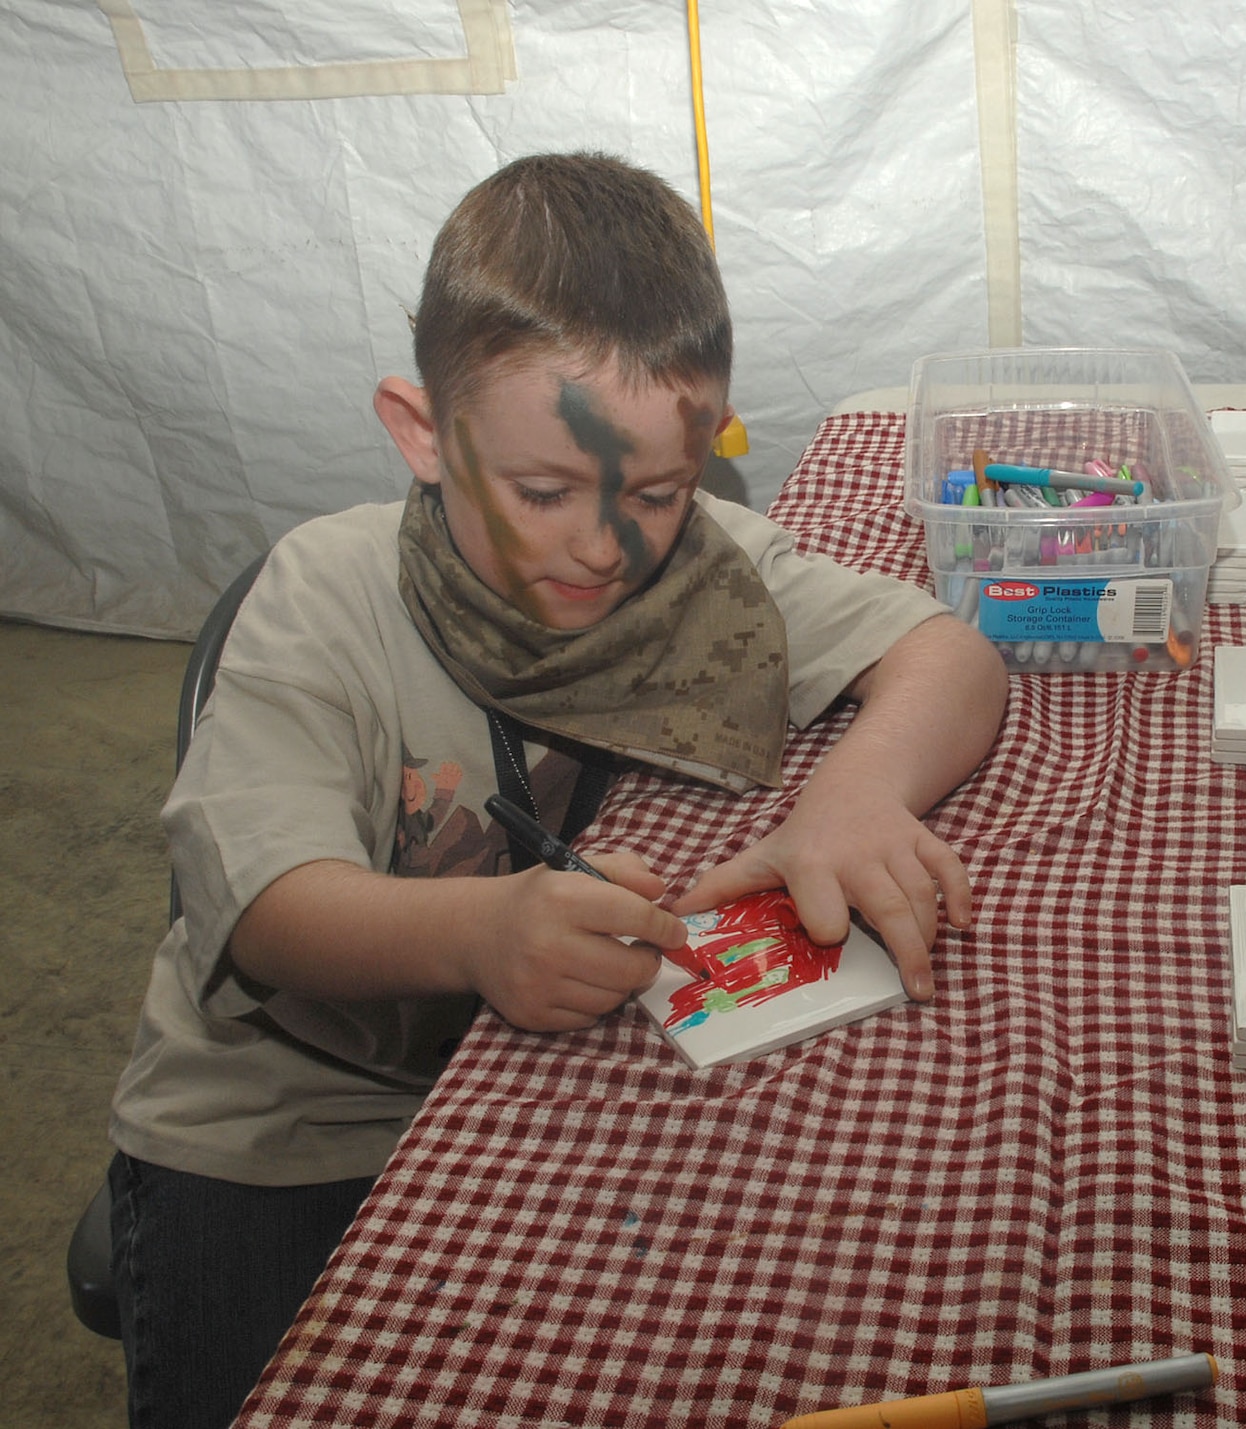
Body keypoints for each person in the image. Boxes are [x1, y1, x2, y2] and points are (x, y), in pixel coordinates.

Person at [106, 150, 1009, 1429]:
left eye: (658, 491)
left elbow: (948, 655)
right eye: (542, 493)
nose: (604, 544)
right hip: (289, 1117)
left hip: (559, 1072)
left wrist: (856, 796)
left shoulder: (700, 569)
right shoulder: (321, 595)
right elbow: (264, 908)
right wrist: (479, 930)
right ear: (422, 432)